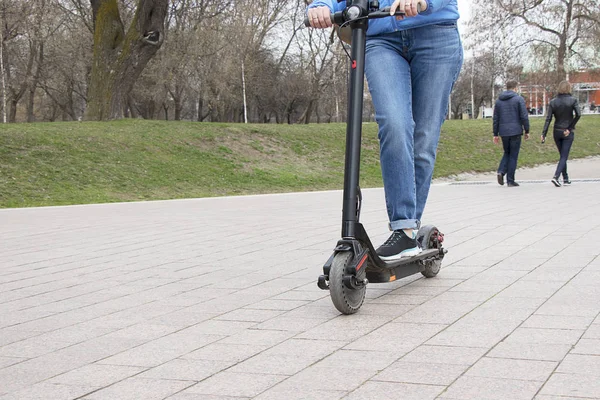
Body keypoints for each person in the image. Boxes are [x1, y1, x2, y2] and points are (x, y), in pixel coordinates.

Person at [307, 0, 462, 260]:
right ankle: (404, 228)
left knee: (423, 140)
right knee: (394, 123)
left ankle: (408, 231)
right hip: (380, 38)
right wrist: (322, 5)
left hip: (435, 33)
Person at [541, 80, 581, 187]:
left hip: (557, 131)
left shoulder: (553, 102)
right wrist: (570, 127)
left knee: (562, 155)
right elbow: (578, 114)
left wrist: (544, 133)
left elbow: (548, 119)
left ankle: (566, 178)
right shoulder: (573, 100)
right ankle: (556, 176)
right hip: (567, 131)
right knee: (564, 156)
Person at [492, 80, 530, 187]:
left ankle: (501, 171)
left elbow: (496, 119)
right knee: (513, 155)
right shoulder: (519, 99)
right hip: (516, 131)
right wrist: (527, 130)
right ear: (515, 88)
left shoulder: (499, 101)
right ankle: (510, 180)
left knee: (507, 152)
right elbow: (524, 116)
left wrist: (495, 133)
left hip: (503, 132)